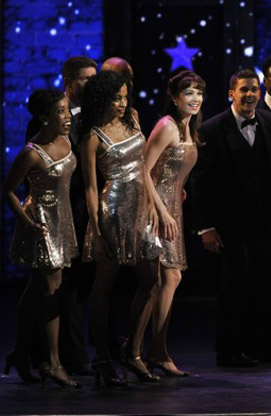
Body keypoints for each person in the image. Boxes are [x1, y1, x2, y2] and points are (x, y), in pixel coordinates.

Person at [191, 69, 271, 367]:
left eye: (254, 90)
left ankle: (263, 345)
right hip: (228, 222)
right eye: (244, 90)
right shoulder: (211, 129)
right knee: (233, 287)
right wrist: (206, 226)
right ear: (231, 93)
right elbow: (201, 183)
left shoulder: (269, 122)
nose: (250, 95)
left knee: (263, 283)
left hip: (263, 221)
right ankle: (229, 350)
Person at [80, 70, 161, 385]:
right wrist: (97, 228)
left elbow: (143, 167)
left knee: (151, 281)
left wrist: (153, 205)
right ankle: (102, 357)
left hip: (141, 206)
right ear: (102, 98)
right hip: (112, 210)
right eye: (116, 98)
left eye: (125, 97)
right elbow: (90, 186)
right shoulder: (92, 134)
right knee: (104, 286)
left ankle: (134, 352)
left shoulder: (133, 119)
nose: (122, 104)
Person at [4, 89, 80, 388]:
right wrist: (28, 222)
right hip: (43, 225)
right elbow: (8, 190)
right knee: (51, 289)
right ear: (43, 117)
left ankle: (21, 352)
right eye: (60, 112)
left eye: (66, 110)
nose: (67, 117)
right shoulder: (32, 152)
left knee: (38, 289)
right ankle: (52, 362)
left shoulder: (65, 140)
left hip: (64, 221)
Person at [143, 70, 204, 377]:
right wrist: (161, 209)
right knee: (163, 280)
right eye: (189, 93)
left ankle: (156, 351)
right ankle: (147, 351)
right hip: (156, 211)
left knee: (170, 279)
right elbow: (143, 170)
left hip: (172, 208)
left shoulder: (189, 126)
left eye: (199, 93)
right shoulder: (167, 126)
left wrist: (176, 187)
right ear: (175, 97)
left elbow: (172, 169)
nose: (195, 99)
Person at [57, 56, 97, 376]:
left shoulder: (95, 115)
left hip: (89, 208)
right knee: (64, 284)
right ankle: (72, 353)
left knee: (82, 283)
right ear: (69, 84)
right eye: (85, 79)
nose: (91, 83)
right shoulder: (53, 117)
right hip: (63, 209)